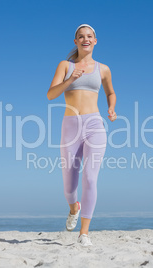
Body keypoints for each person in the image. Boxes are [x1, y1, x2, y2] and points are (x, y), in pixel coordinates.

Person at [47, 24, 117, 246]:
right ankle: (73, 208)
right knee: (69, 185)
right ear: (75, 41)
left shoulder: (103, 69)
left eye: (89, 36)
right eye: (81, 37)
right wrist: (70, 79)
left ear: (95, 41)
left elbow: (111, 91)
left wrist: (111, 108)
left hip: (95, 124)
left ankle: (84, 234)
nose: (85, 39)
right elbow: (51, 95)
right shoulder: (65, 65)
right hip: (70, 126)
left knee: (90, 178)